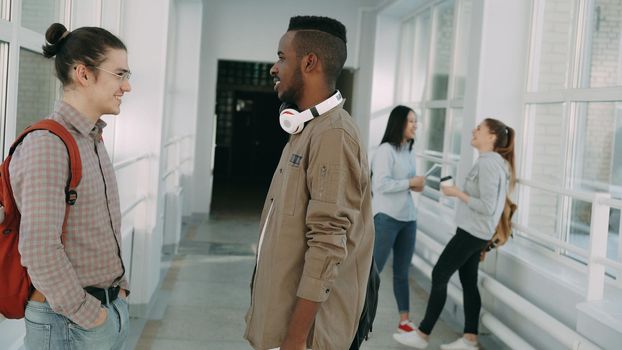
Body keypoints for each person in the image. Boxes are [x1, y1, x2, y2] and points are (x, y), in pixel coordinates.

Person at [244, 16, 374, 350]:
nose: (274, 68)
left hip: (307, 339)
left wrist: (294, 340)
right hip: (284, 328)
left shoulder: (333, 136)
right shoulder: (307, 131)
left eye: (281, 57)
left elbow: (328, 245)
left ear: (310, 62)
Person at [11, 23, 132, 350]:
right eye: (120, 74)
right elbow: (39, 247)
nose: (127, 86)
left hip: (102, 313)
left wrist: (118, 295)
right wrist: (90, 315)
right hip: (68, 323)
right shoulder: (49, 144)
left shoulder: (92, 138)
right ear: (84, 73)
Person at [393, 118, 515, 350]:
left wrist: (456, 192)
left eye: (479, 128)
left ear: (492, 137)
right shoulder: (492, 162)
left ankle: (422, 335)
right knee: (468, 281)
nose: (473, 130)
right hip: (476, 232)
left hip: (472, 232)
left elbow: (488, 207)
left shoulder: (489, 164)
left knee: (440, 274)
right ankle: (470, 339)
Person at [371, 105, 424, 335]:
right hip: (386, 218)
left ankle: (404, 321)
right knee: (373, 271)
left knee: (403, 272)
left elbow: (409, 182)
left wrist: (416, 184)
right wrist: (410, 183)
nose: (415, 125)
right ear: (399, 123)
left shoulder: (410, 150)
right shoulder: (385, 150)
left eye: (416, 121)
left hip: (408, 218)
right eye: (411, 121)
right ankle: (361, 317)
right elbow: (380, 185)